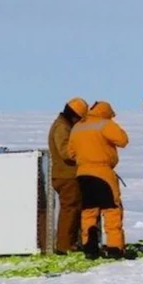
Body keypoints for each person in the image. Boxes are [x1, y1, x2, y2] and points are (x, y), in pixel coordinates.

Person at [66, 100, 132, 259]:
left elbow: (71, 153)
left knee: (89, 211)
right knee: (112, 210)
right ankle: (115, 247)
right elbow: (123, 140)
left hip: (83, 174)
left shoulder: (78, 127)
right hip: (103, 173)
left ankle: (90, 247)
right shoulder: (105, 124)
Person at [47, 97, 89, 254]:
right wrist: (85, 154)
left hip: (67, 175)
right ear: (74, 115)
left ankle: (71, 242)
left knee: (73, 209)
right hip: (66, 176)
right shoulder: (62, 127)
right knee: (69, 210)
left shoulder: (63, 125)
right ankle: (64, 245)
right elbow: (65, 152)